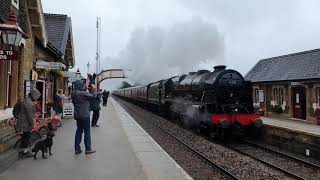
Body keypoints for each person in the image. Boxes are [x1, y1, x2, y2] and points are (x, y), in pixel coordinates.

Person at [71, 80, 97, 155]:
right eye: (82, 85)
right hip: (85, 115)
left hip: (77, 115)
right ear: (79, 85)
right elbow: (94, 96)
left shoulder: (73, 93)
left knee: (79, 131)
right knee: (87, 132)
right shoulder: (82, 94)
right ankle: (88, 149)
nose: (84, 86)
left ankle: (77, 149)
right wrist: (93, 89)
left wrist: (87, 90)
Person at [13, 89, 41, 155]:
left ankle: (22, 151)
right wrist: (32, 124)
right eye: (36, 97)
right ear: (33, 96)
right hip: (25, 123)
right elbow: (29, 115)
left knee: (25, 137)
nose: (37, 98)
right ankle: (25, 152)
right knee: (26, 137)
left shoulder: (27, 101)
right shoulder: (28, 103)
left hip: (24, 122)